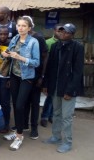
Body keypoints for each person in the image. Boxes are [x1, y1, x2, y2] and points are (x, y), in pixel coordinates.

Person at [43, 23, 84, 153]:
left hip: (68, 88)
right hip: (55, 86)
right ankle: (56, 136)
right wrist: (46, 84)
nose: (62, 34)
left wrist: (70, 90)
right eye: (61, 31)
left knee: (67, 116)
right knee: (56, 113)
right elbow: (50, 68)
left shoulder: (78, 47)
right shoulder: (56, 46)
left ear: (72, 35)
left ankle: (67, 142)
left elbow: (78, 71)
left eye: (66, 32)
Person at [1, 16, 40, 151]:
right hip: (14, 75)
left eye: (24, 26)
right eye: (19, 25)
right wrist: (5, 54)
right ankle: (18, 130)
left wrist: (20, 58)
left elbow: (36, 62)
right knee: (15, 105)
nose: (20, 28)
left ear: (29, 28)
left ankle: (19, 136)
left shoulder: (33, 42)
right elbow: (7, 53)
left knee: (19, 106)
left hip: (27, 77)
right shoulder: (15, 39)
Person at [22, 16, 48, 140]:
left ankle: (34, 129)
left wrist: (42, 76)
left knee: (34, 103)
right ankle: (25, 124)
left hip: (36, 76)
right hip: (24, 75)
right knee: (25, 101)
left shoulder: (38, 38)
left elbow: (44, 57)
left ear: (30, 26)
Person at [40, 24, 62, 127]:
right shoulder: (48, 43)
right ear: (54, 31)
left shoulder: (65, 43)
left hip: (61, 74)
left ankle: (51, 116)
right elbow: (46, 60)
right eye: (58, 31)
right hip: (50, 73)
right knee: (50, 96)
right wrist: (44, 76)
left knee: (57, 97)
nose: (60, 33)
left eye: (62, 31)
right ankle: (44, 116)